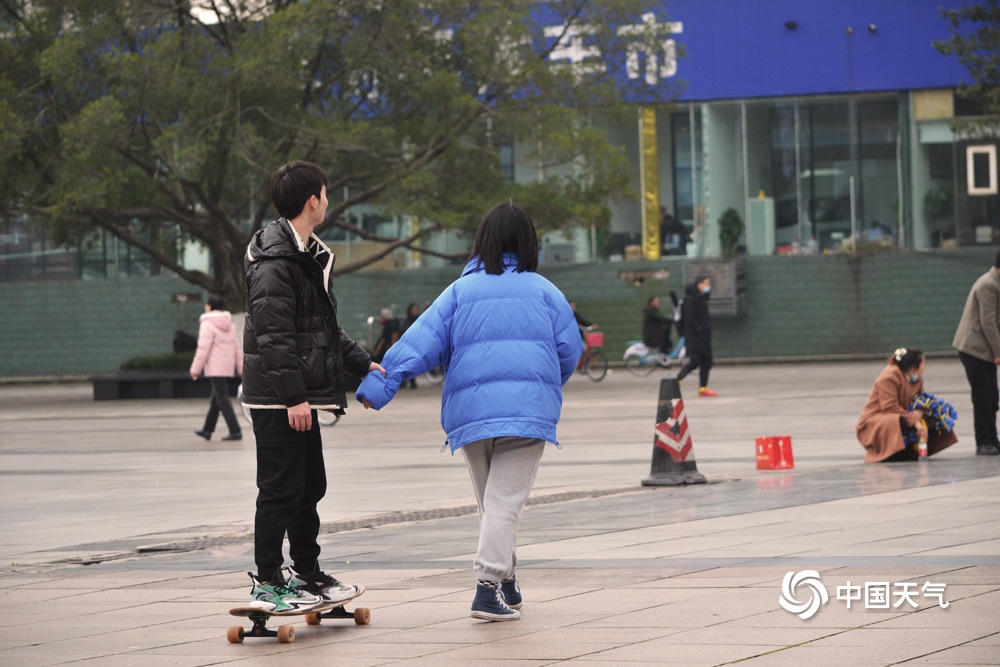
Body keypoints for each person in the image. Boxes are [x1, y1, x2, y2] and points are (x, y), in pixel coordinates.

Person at [356, 202, 582, 622]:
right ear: (529, 243)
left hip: (471, 416)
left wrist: (379, 386)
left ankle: (506, 579)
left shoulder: (459, 292)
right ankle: (486, 589)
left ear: (483, 242)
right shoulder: (546, 292)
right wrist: (539, 388)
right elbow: (569, 353)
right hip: (526, 415)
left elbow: (419, 342)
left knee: (492, 503)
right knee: (504, 502)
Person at [240, 160, 386, 613]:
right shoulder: (274, 263)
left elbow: (321, 329)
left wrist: (363, 363)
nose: (327, 200)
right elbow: (274, 338)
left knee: (308, 487)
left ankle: (307, 572)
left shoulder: (305, 255)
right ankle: (268, 580)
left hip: (296, 398)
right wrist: (293, 397)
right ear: (312, 201)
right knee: (280, 490)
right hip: (278, 400)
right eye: (325, 193)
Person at [856, 348, 958, 463]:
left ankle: (911, 449)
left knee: (937, 410)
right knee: (897, 420)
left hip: (903, 413)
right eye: (923, 364)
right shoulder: (888, 377)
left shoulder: (916, 378)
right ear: (913, 368)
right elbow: (889, 407)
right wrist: (915, 422)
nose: (924, 368)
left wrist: (920, 411)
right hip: (876, 421)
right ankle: (892, 451)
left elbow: (922, 398)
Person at [953, 251, 1000, 456]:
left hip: (986, 349)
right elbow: (988, 322)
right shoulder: (988, 285)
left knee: (993, 397)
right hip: (974, 349)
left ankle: (992, 438)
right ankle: (983, 441)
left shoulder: (996, 283)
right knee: (983, 397)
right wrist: (998, 352)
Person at [190, 293, 243, 441]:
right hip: (227, 368)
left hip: (215, 368)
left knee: (222, 399)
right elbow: (237, 348)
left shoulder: (207, 324)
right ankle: (207, 430)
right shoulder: (229, 324)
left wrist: (195, 369)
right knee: (217, 399)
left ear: (209, 307)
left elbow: (203, 349)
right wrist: (242, 370)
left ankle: (235, 430)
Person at [676, 276, 716, 396]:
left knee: (707, 361)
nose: (708, 286)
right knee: (695, 361)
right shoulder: (691, 299)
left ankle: (703, 388)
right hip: (694, 336)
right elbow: (690, 317)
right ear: (699, 284)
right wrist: (699, 328)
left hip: (704, 336)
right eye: (706, 283)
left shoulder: (702, 298)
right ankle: (677, 379)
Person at [401, 303, 422, 388]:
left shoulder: (420, 319)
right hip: (409, 345)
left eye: (416, 309)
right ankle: (411, 381)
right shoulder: (407, 321)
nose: (415, 311)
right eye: (413, 309)